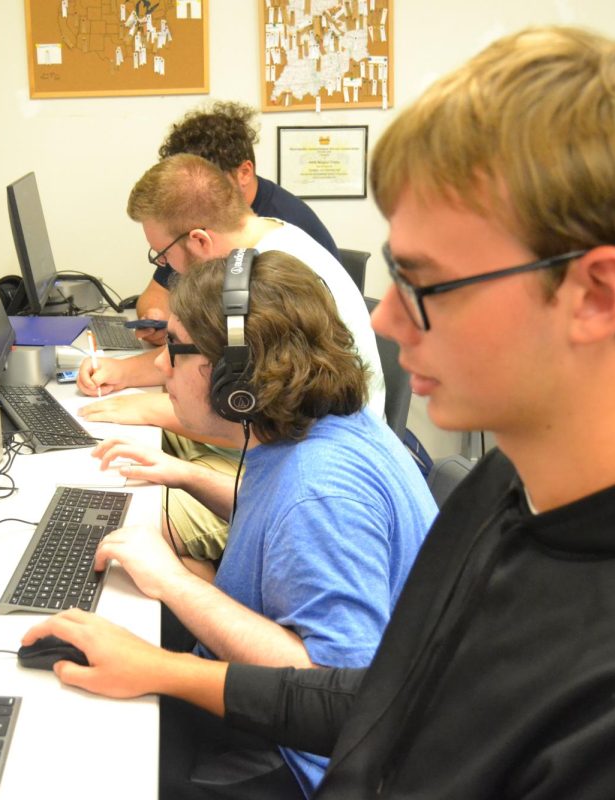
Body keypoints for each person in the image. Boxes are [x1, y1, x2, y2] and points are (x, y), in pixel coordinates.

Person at [26, 25, 615, 798]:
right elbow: (381, 696)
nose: (382, 325)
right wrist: (166, 667)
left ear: (595, 296)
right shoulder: (516, 486)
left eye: (427, 284)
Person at [87, 248, 434, 798]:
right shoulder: (324, 430)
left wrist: (172, 581)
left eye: (174, 350)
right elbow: (280, 516)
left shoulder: (319, 490)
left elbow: (331, 689)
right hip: (291, 724)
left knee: (96, 753)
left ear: (235, 375)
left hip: (307, 767)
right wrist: (188, 476)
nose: (158, 367)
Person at [76, 153, 385, 562]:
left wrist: (153, 410)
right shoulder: (261, 241)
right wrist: (125, 374)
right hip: (280, 444)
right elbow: (209, 361)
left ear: (201, 240)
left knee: (113, 526)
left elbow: (264, 413)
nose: (164, 267)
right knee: (117, 475)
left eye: (163, 256)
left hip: (303, 458)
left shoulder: (274, 281)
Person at [131, 101, 342, 345]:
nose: (192, 197)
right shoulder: (224, 230)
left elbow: (230, 350)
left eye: (204, 180)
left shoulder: (274, 258)